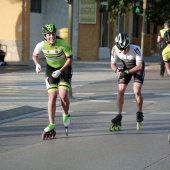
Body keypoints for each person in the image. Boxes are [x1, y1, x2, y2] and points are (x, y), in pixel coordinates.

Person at [32, 24, 73, 139]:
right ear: (45, 36)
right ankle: (51, 124)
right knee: (52, 96)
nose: (52, 37)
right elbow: (34, 55)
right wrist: (37, 64)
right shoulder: (41, 45)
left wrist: (60, 70)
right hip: (50, 69)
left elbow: (70, 59)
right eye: (49, 35)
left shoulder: (63, 44)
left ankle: (65, 113)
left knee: (63, 95)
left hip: (64, 69)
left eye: (53, 34)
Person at [109, 32, 145, 131]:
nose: (124, 51)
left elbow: (139, 66)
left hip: (137, 68)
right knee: (121, 90)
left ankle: (139, 112)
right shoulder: (114, 49)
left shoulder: (136, 48)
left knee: (136, 90)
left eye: (125, 48)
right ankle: (119, 115)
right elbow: (112, 64)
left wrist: (128, 72)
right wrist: (116, 70)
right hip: (126, 68)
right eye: (121, 49)